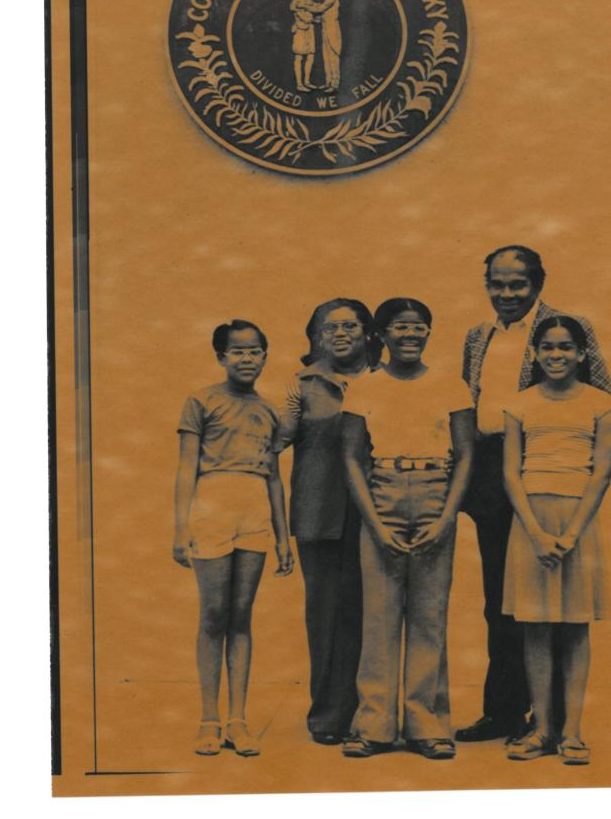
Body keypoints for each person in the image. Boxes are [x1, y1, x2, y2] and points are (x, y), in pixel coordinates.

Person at [456, 245, 611, 743]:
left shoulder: (566, 329)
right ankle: (505, 712)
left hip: (549, 475)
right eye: (496, 285)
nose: (506, 294)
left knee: (559, 604)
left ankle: (558, 723)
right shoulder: (477, 336)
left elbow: (600, 395)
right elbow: (467, 402)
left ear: (538, 283)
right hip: (491, 471)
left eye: (517, 284)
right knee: (501, 600)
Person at [340, 298, 475, 760]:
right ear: (383, 334)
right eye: (400, 327)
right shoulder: (365, 388)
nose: (411, 335)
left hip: (437, 493)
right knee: (379, 617)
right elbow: (352, 458)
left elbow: (467, 454)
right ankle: (374, 726)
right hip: (384, 495)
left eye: (420, 327)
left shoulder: (450, 385)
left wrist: (446, 517)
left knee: (428, 616)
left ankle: (428, 725)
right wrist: (374, 523)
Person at [502, 316, 611, 764]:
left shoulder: (601, 404)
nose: (556, 356)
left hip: (578, 523)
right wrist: (534, 531)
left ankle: (572, 732)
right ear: (534, 354)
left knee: (574, 625)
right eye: (547, 348)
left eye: (566, 348)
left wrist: (571, 533)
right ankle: (543, 730)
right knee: (534, 625)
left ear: (582, 354)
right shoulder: (519, 405)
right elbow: (511, 471)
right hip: (530, 523)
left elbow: (602, 472)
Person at [173, 319, 294, 757]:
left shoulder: (270, 409)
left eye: (255, 351)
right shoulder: (201, 401)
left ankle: (237, 720)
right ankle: (208, 718)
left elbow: (275, 478)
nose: (247, 359)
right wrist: (181, 526)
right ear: (221, 357)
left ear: (265, 355)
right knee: (214, 613)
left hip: (255, 508)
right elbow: (187, 468)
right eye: (237, 351)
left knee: (241, 614)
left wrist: (284, 537)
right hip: (212, 504)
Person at [277, 298, 375, 746]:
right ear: (315, 334)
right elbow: (274, 440)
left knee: (371, 611)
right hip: (319, 511)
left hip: (377, 508)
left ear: (368, 333)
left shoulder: (385, 378)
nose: (341, 334)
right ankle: (329, 716)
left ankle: (375, 713)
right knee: (326, 614)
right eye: (329, 327)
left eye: (351, 326)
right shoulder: (299, 384)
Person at [319, 0, 342, 91]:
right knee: (326, 57)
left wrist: (302, 5)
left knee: (333, 56)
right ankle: (328, 82)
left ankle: (335, 84)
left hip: (332, 29)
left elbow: (320, 9)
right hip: (325, 29)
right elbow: (323, 14)